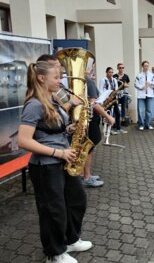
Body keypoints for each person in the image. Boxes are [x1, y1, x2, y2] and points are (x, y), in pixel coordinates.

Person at [17, 60, 92, 263]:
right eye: (57, 77)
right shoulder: (34, 104)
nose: (61, 81)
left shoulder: (53, 101)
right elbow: (23, 140)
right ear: (42, 78)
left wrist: (70, 129)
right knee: (53, 210)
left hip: (63, 161)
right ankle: (54, 253)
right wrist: (58, 153)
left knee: (76, 201)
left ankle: (70, 239)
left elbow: (50, 130)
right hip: (46, 166)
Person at [84, 66, 115, 188]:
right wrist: (108, 117)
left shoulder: (82, 80)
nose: (93, 70)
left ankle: (86, 175)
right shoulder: (89, 81)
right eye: (91, 67)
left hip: (85, 119)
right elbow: (93, 103)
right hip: (90, 119)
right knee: (89, 149)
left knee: (87, 148)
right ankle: (87, 177)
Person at [99, 67, 126, 134]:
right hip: (107, 99)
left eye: (112, 72)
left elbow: (116, 88)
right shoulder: (103, 80)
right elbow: (100, 90)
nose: (111, 74)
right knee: (108, 114)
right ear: (106, 72)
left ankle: (118, 128)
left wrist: (116, 93)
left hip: (113, 98)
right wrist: (106, 97)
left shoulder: (114, 80)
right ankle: (109, 130)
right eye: (109, 72)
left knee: (118, 113)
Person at [134, 61, 154, 130]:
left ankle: (148, 124)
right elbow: (135, 84)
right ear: (142, 66)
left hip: (149, 94)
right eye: (145, 66)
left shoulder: (152, 75)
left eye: (147, 66)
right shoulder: (139, 75)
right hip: (141, 95)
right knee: (140, 110)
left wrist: (150, 83)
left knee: (149, 110)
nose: (146, 67)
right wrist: (142, 87)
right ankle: (141, 124)